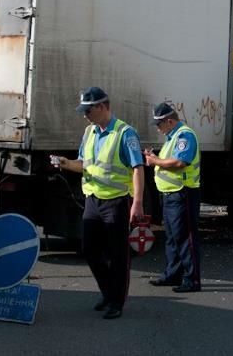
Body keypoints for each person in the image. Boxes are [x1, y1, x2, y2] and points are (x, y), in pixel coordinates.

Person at [50, 87, 144, 319]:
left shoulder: (125, 133)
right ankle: (107, 291)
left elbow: (137, 168)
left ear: (102, 107)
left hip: (117, 202)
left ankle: (116, 302)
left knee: (118, 254)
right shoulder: (90, 131)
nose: (85, 115)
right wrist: (65, 163)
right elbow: (83, 163)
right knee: (90, 250)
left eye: (88, 110)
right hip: (93, 200)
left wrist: (138, 202)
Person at [143, 102, 201, 293]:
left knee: (185, 238)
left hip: (182, 193)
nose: (158, 129)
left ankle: (191, 279)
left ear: (169, 121)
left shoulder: (184, 135)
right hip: (171, 194)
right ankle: (172, 274)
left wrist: (155, 161)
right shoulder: (172, 136)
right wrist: (156, 158)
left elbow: (180, 161)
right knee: (172, 237)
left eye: (159, 124)